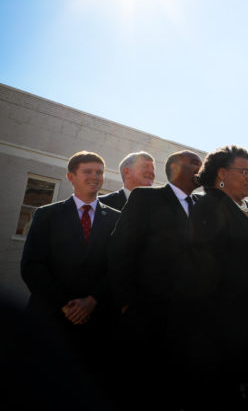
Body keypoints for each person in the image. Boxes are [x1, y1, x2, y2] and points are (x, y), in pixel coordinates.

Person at [185, 145, 248, 410]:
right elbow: (211, 261)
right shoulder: (208, 205)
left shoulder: (245, 208)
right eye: (243, 172)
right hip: (219, 322)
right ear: (221, 173)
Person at [20, 151, 120, 400]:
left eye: (99, 172)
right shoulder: (46, 215)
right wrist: (65, 305)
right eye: (88, 171)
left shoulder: (117, 219)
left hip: (96, 322)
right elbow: (32, 266)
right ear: (71, 177)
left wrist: (92, 300)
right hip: (51, 319)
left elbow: (117, 267)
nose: (95, 177)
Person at [108, 150, 201, 409]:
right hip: (145, 317)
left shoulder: (203, 207)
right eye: (194, 163)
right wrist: (127, 304)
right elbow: (120, 251)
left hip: (186, 321)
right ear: (174, 168)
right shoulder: (146, 198)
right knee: (140, 390)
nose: (200, 168)